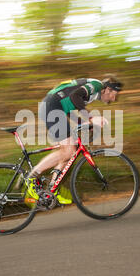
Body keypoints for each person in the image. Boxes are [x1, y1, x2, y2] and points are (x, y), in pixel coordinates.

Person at [26, 75, 123, 205]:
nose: (114, 99)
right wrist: (91, 119)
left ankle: (52, 190)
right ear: (107, 89)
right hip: (52, 107)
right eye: (114, 94)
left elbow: (70, 106)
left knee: (72, 150)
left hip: (55, 107)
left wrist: (84, 123)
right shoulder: (97, 85)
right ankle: (32, 177)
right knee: (68, 151)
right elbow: (74, 97)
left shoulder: (92, 92)